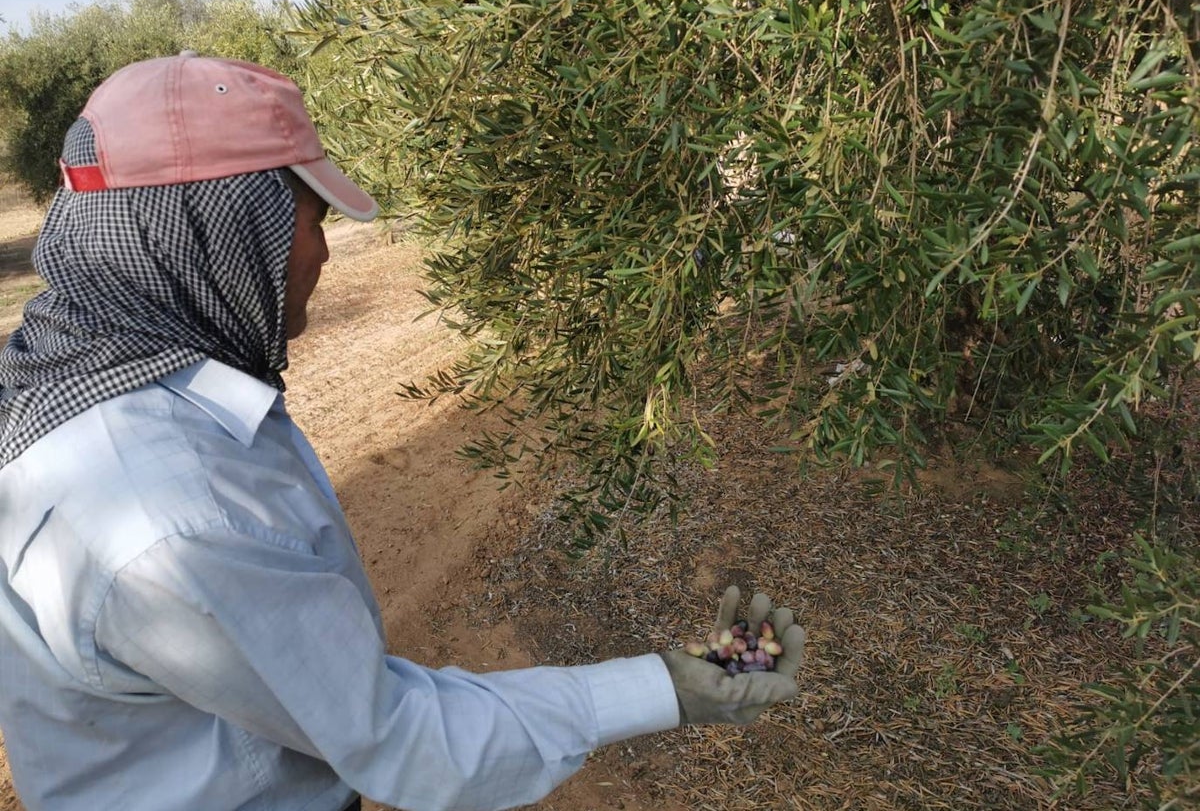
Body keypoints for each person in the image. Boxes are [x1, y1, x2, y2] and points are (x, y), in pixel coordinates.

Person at [0, 53, 805, 811]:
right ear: (220, 233)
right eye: (310, 222)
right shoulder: (169, 519)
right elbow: (401, 736)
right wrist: (677, 684)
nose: (321, 255)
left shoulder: (76, 384)